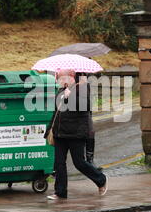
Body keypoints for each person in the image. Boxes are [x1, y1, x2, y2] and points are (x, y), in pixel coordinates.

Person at [45, 69, 108, 200]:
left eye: (62, 78)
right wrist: (49, 129)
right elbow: (56, 112)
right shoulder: (61, 90)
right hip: (60, 133)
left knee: (79, 162)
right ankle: (60, 192)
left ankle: (101, 179)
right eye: (59, 78)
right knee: (59, 164)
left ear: (71, 77)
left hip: (76, 134)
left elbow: (85, 106)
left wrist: (70, 97)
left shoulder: (83, 87)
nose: (60, 81)